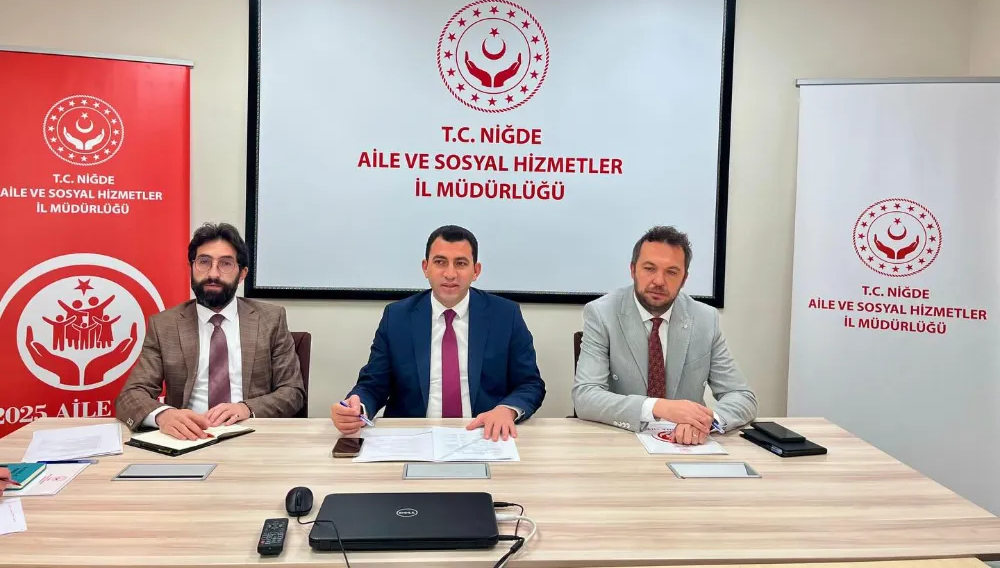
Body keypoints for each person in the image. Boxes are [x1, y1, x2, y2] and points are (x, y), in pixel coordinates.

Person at [332, 225, 545, 441]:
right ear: (425, 268)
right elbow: (373, 384)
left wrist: (507, 410)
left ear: (476, 271)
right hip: (412, 438)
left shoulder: (505, 315)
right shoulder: (397, 317)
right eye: (440, 262)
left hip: (483, 435)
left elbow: (530, 384)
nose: (450, 274)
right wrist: (357, 407)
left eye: (460, 263)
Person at [115, 223, 305, 439]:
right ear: (191, 267)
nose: (213, 273)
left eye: (226, 264)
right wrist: (163, 415)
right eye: (204, 262)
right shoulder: (165, 325)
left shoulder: (271, 319)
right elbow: (131, 395)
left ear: (242, 274)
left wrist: (247, 408)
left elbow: (293, 391)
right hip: (188, 437)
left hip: (251, 434)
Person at [572, 225, 756, 443]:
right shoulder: (602, 314)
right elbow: (585, 397)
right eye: (649, 268)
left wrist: (707, 421)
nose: (659, 281)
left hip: (688, 444)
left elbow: (742, 396)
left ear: (684, 279)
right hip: (622, 440)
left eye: (671, 272)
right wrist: (658, 407)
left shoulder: (705, 319)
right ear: (633, 270)